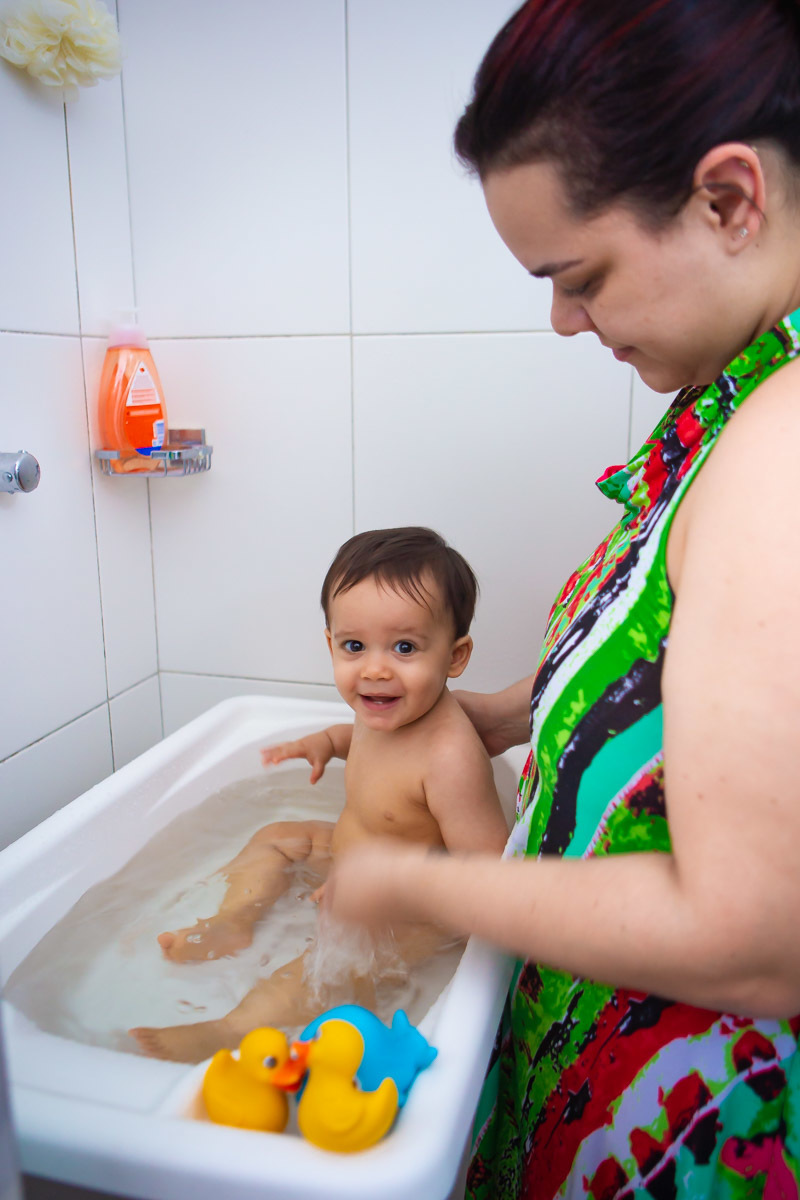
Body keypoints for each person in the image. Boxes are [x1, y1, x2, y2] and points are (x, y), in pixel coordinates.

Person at [319, 3, 800, 1197]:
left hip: (692, 1132)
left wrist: (406, 879)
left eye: (578, 277)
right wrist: (508, 712)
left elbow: (756, 939)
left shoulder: (783, 441)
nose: (561, 320)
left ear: (727, 199)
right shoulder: (735, 400)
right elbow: (684, 660)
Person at [130, 526, 509, 1062]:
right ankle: (235, 920)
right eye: (355, 646)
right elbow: (363, 743)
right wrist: (324, 742)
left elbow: (488, 871)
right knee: (279, 836)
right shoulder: (382, 707)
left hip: (408, 911)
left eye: (405, 647)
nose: (375, 668)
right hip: (347, 860)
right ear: (331, 643)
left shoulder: (449, 756)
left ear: (455, 656)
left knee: (315, 972)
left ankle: (230, 1029)